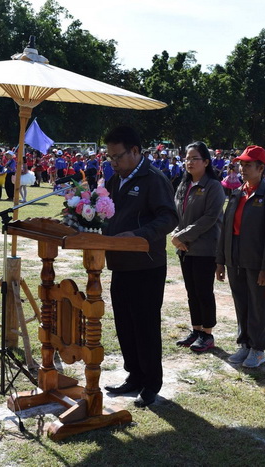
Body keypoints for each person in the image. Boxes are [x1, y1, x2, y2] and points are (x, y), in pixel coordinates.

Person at [101, 126, 178, 408]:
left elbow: (169, 218)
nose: (113, 162)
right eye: (110, 157)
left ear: (135, 151)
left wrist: (138, 235)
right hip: (120, 263)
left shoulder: (154, 179)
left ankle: (151, 383)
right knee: (125, 324)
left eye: (118, 156)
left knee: (145, 326)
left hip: (146, 266)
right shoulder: (115, 179)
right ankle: (134, 375)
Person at [216, 145, 265, 368]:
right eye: (241, 164)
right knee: (241, 301)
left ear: (261, 168)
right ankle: (245, 344)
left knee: (258, 304)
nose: (242, 169)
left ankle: (258, 348)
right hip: (234, 256)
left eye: (248, 165)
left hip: (256, 258)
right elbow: (225, 228)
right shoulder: (237, 193)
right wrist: (221, 260)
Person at [171, 141, 225, 353]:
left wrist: (181, 236)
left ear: (206, 162)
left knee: (203, 291)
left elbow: (210, 218)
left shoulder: (213, 186)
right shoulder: (183, 185)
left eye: (195, 158)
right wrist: (177, 235)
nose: (189, 162)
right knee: (191, 291)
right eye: (187, 158)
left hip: (205, 248)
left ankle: (207, 334)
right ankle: (196, 329)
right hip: (185, 248)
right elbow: (178, 214)